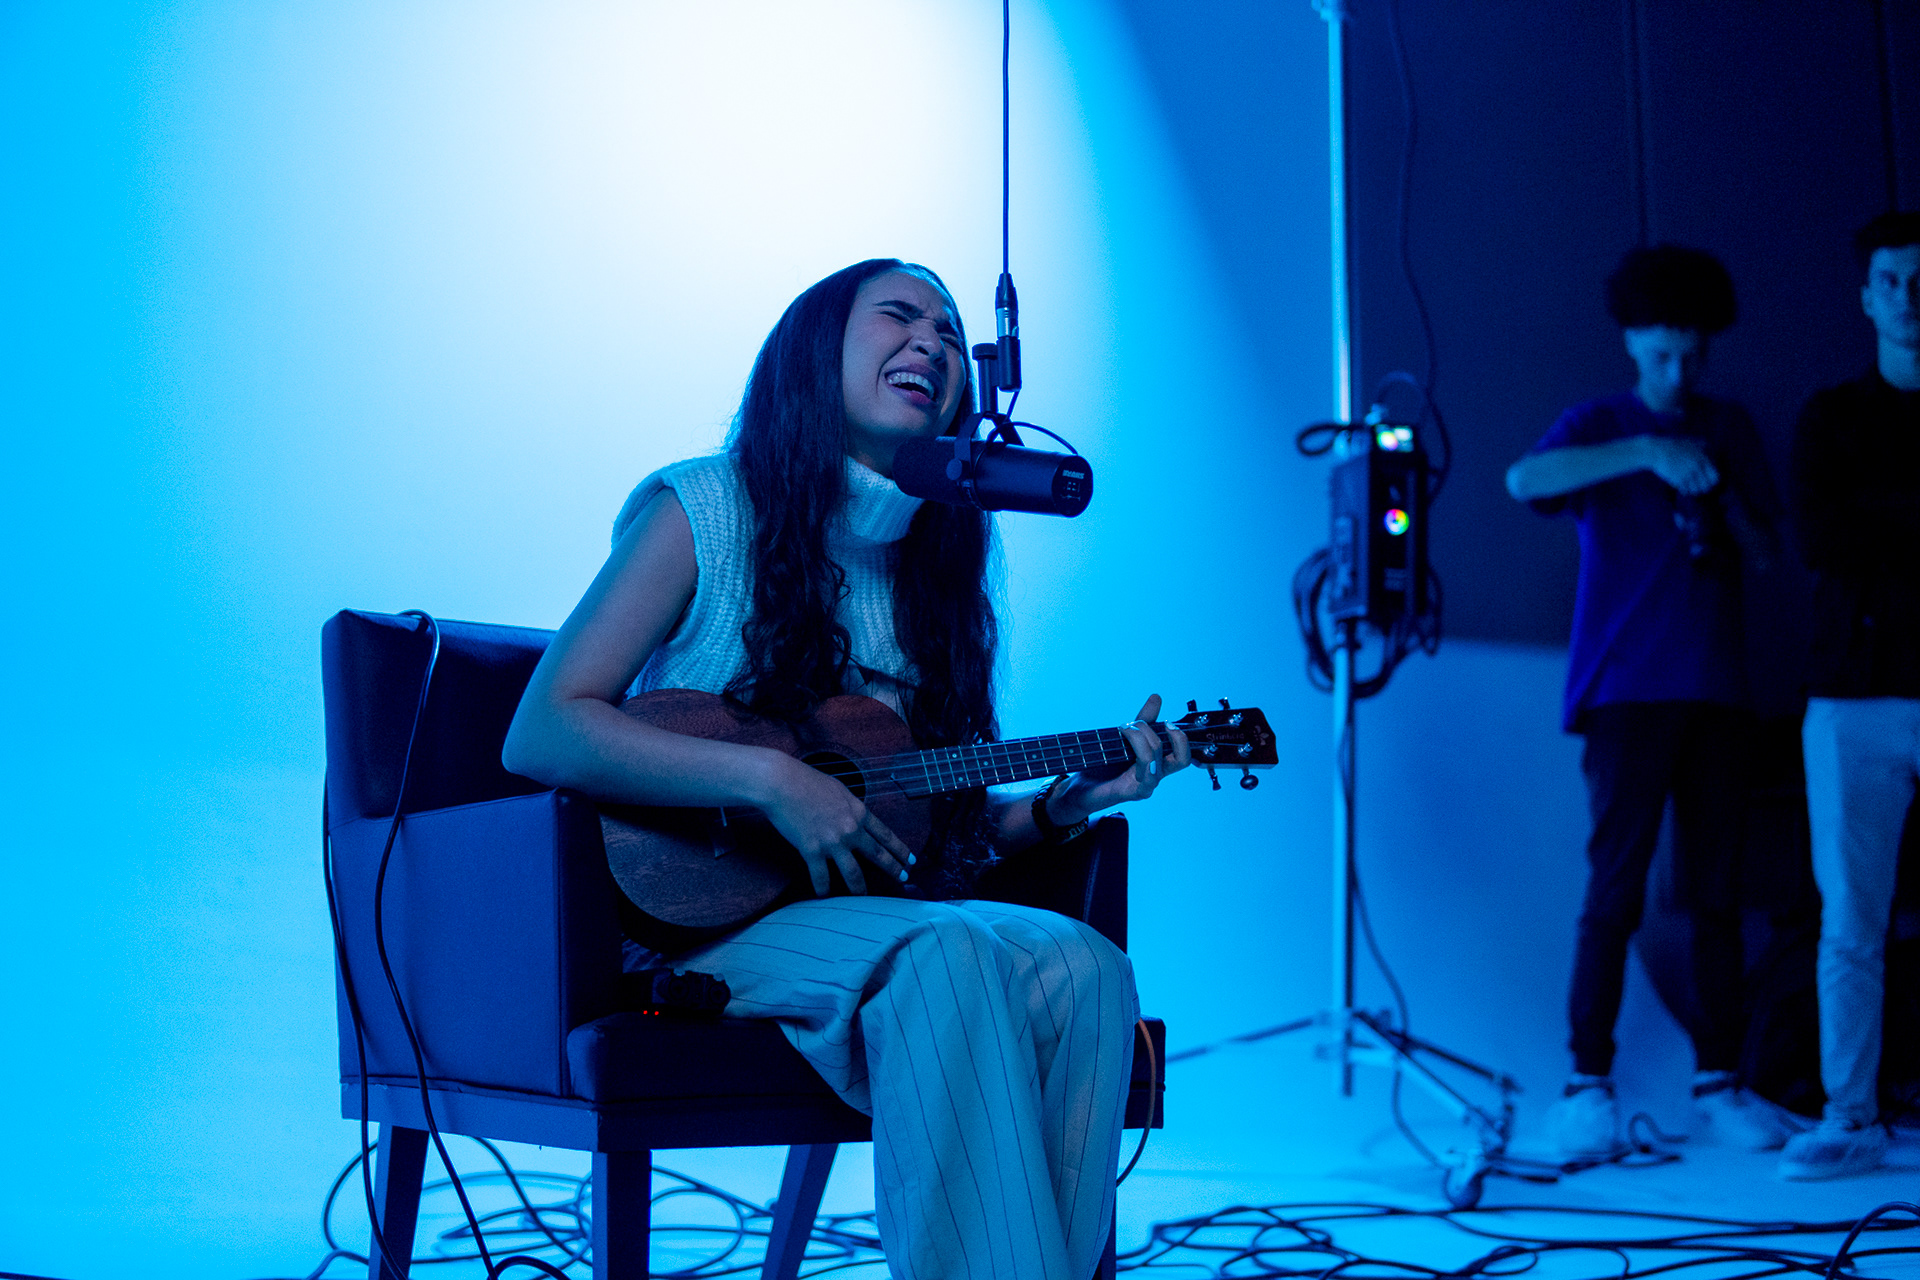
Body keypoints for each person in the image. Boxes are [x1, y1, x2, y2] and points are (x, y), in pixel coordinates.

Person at [502, 258, 1189, 1279]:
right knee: (944, 954)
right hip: (689, 920)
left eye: (951, 336)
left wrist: (1062, 806)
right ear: (816, 350)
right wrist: (772, 781)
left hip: (859, 915)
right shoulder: (705, 507)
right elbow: (543, 731)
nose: (933, 345)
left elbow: (922, 828)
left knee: (1085, 964)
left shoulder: (937, 566)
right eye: (900, 316)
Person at [1505, 244, 1788, 1158]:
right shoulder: (1599, 422)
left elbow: (1772, 552)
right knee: (1614, 890)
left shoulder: (1730, 425)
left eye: (1692, 356)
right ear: (1631, 342)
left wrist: (1718, 492)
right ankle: (1586, 1084)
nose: (1677, 372)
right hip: (1625, 691)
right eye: (1662, 354)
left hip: (1720, 693)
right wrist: (1649, 451)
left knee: (1717, 895)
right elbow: (1523, 480)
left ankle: (1721, 1081)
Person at [1779, 210, 1920, 1181]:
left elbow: (1854, 528)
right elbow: (1821, 540)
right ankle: (1851, 1117)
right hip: (1854, 698)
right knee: (1851, 922)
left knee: (1858, 924)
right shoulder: (1830, 416)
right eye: (1892, 281)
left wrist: (1879, 516)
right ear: (1867, 297)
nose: (1908, 298)